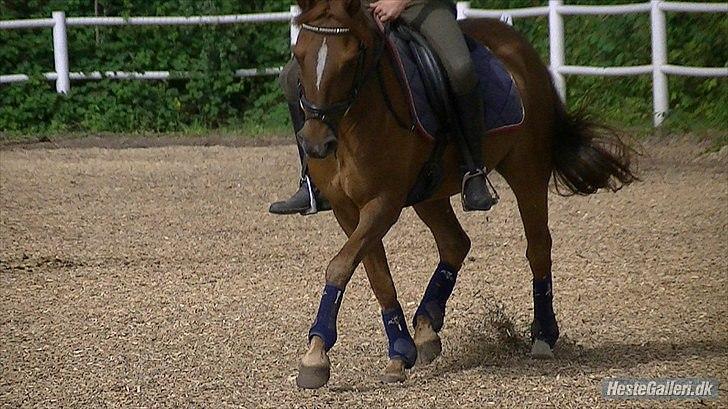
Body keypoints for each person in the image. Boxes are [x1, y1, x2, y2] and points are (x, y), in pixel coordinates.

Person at [269, 0, 495, 215]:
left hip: (423, 6)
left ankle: (473, 169)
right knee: (291, 77)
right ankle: (312, 182)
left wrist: (399, 2)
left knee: (460, 70)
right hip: (359, 8)